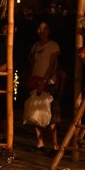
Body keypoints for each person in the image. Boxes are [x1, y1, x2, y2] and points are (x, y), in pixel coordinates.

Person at [27, 20, 61, 153]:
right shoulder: (35, 45)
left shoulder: (53, 46)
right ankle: (40, 142)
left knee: (49, 113)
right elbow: (33, 62)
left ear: (49, 31)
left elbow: (52, 66)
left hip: (47, 81)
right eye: (40, 28)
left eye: (45, 28)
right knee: (34, 112)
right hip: (35, 79)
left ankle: (55, 143)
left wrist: (44, 81)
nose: (42, 31)